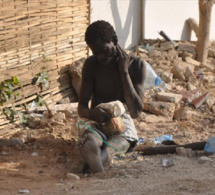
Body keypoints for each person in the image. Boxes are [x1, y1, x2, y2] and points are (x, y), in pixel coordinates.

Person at [70, 20, 145, 173]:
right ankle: (92, 152)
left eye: (104, 50)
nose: (100, 57)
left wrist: (124, 72)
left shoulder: (137, 66)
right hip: (97, 120)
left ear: (114, 41)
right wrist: (91, 113)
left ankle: (90, 160)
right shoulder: (91, 65)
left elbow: (136, 112)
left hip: (122, 123)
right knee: (92, 136)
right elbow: (82, 107)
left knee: (117, 145)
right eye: (95, 52)